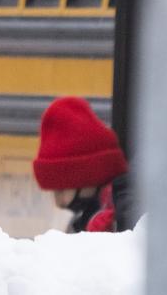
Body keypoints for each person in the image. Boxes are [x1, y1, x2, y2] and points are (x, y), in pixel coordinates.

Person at [33, 96, 135, 233]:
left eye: (61, 190)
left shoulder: (129, 209)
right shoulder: (87, 217)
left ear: (90, 176)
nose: (58, 202)